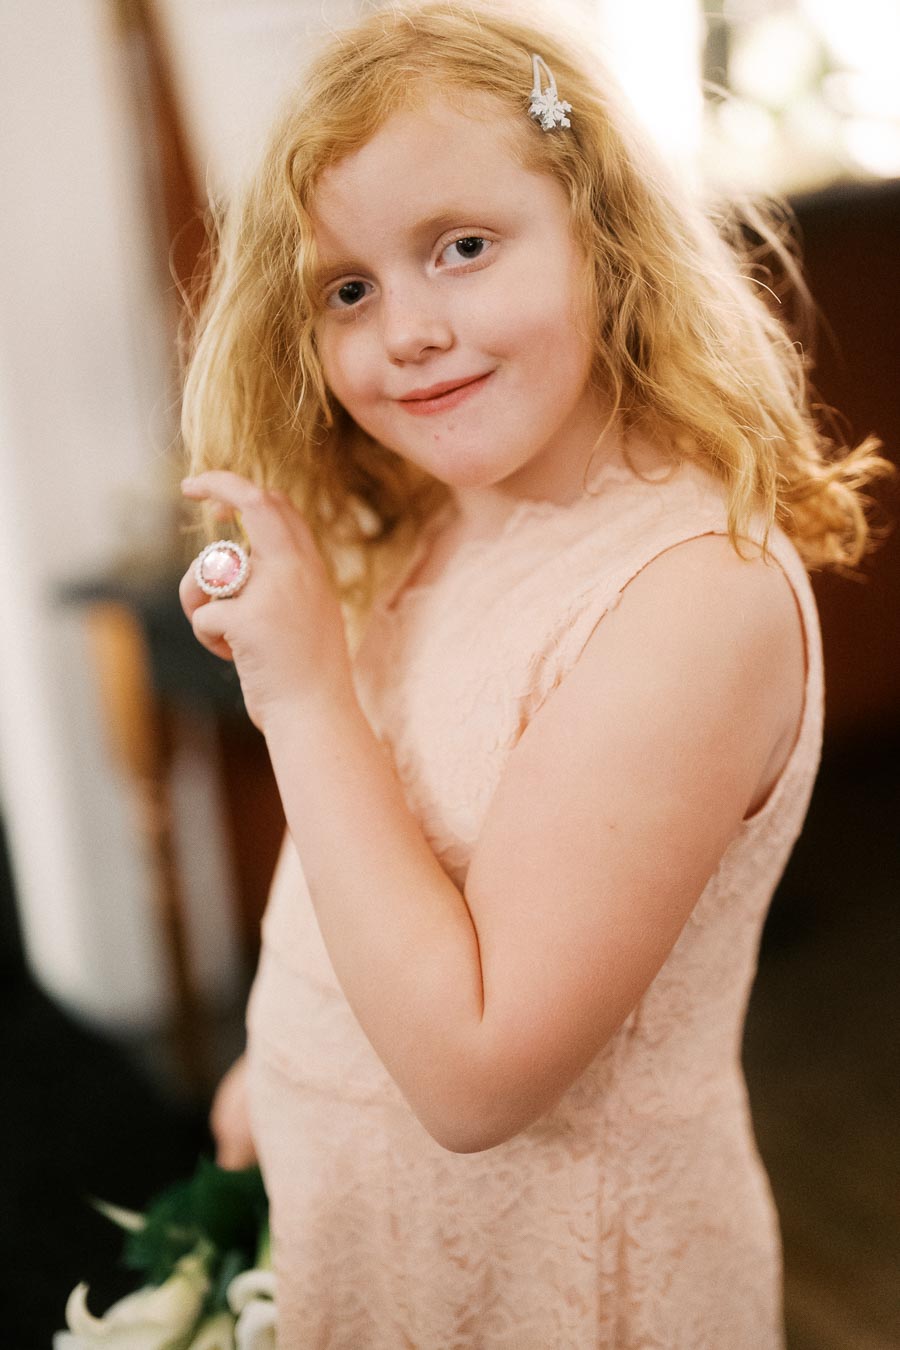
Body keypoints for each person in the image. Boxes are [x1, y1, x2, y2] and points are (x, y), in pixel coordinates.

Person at [178, 2, 889, 1344]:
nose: (408, 331)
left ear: (603, 239)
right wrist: (279, 1058)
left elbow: (478, 1071)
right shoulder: (448, 516)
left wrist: (304, 692)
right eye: (349, 287)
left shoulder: (693, 598)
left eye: (463, 246)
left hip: (546, 1282)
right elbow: (381, 861)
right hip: (362, 1241)